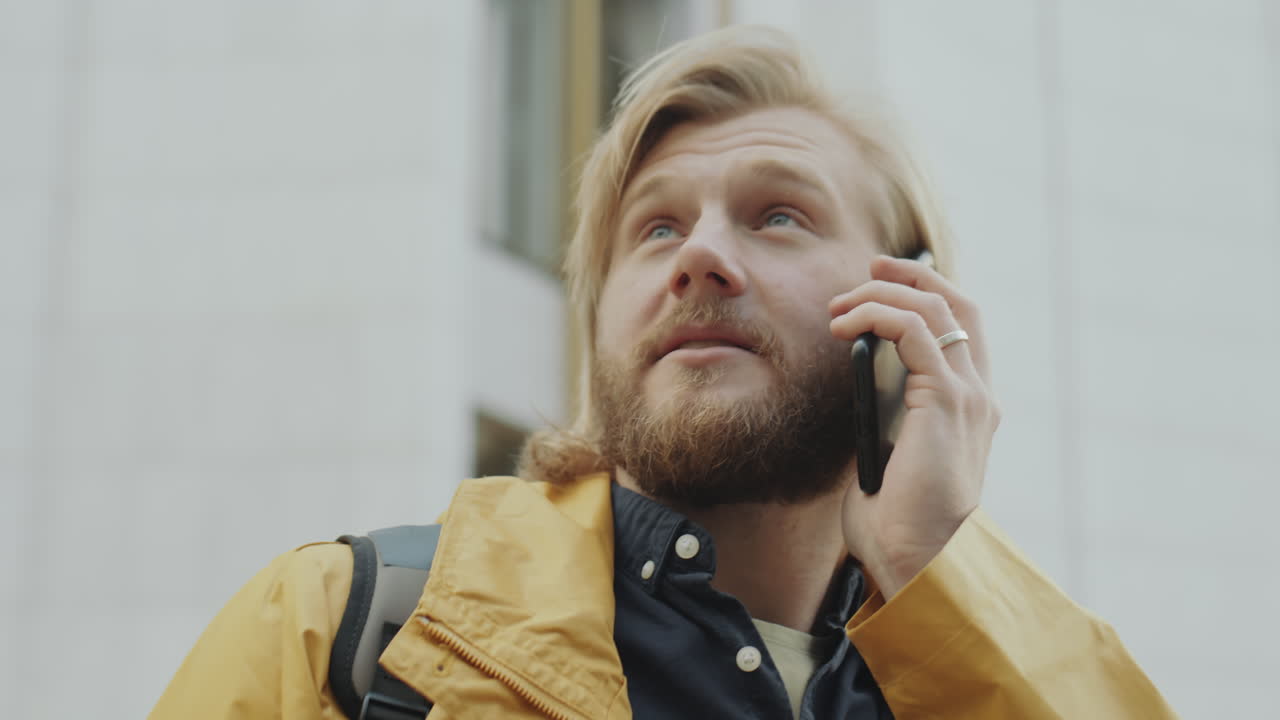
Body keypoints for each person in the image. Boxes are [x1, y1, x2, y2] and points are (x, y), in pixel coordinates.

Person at [151, 25, 1178, 719]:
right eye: (654, 229)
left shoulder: (996, 675)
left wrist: (933, 578)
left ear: (909, 308)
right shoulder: (340, 630)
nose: (699, 255)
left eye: (779, 214)